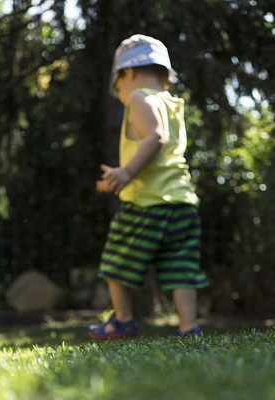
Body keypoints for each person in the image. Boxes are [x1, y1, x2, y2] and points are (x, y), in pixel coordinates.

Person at [89, 34, 209, 340]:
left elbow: (155, 138)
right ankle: (188, 327)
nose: (119, 94)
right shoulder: (172, 104)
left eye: (117, 87)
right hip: (181, 202)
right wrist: (118, 178)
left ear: (126, 74)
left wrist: (127, 172)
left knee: (116, 259)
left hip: (146, 203)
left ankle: (123, 320)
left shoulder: (139, 98)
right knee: (180, 265)